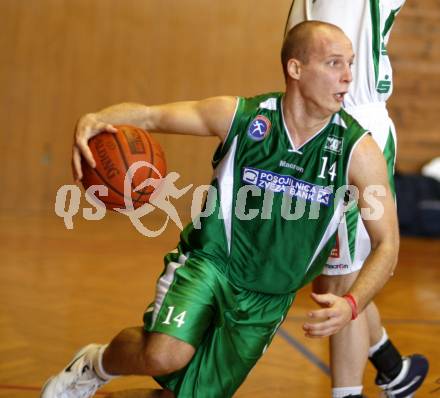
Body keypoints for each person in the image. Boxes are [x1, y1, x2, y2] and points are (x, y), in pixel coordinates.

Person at [41, 21, 399, 398]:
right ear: (296, 69)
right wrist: (95, 120)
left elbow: (387, 244)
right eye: (333, 64)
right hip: (210, 262)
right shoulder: (241, 116)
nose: (347, 78)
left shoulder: (359, 151)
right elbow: (149, 116)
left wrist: (352, 304)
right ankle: (94, 365)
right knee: (164, 355)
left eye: (350, 64)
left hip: (267, 297)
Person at [285, 2, 429, 398]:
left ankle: (347, 393)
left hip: (355, 128)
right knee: (330, 274)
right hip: (318, 122)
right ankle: (392, 368)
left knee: (344, 279)